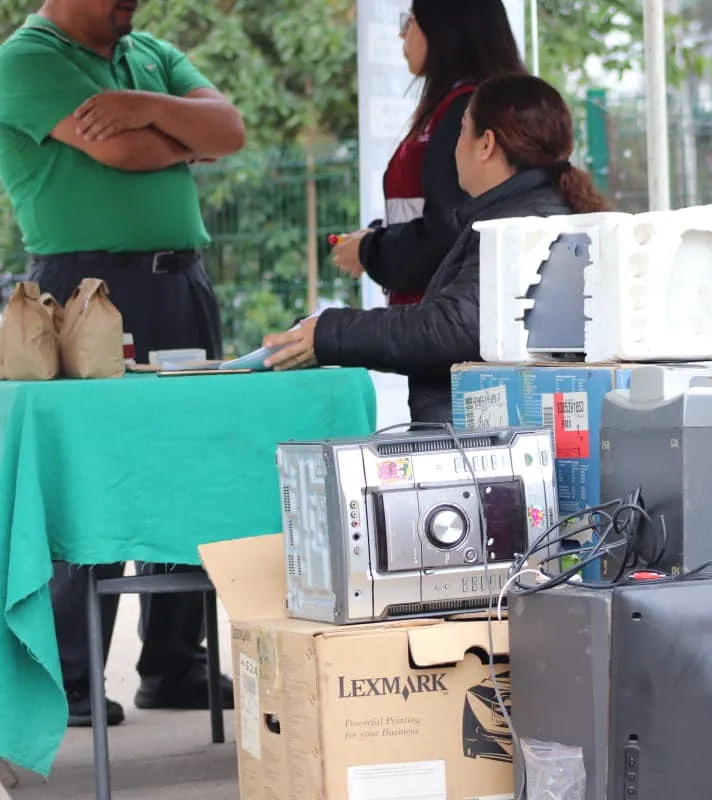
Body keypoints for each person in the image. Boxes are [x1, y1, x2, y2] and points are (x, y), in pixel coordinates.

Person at [0, 0, 246, 727]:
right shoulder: (25, 60)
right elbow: (122, 153)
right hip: (82, 286)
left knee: (189, 465)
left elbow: (229, 131)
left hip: (183, 281)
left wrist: (144, 107)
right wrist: (183, 136)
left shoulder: (151, 55)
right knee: (89, 471)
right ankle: (70, 677)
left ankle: (174, 664)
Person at [262, 74, 610, 423]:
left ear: (486, 144)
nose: (454, 147)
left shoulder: (517, 226)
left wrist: (330, 332)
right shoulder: (540, 212)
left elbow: (451, 328)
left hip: (483, 441)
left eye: (462, 130)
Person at [330, 0, 525, 308]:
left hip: (443, 316)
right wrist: (378, 238)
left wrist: (371, 250)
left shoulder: (466, 113)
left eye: (410, 22)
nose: (402, 34)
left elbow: (449, 233)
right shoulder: (459, 107)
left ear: (442, 30)